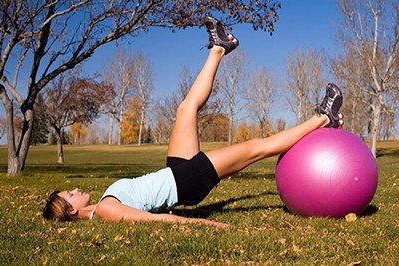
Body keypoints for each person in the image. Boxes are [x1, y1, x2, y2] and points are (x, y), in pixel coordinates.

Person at [43, 16, 343, 227]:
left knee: (185, 109)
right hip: (186, 183)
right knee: (256, 148)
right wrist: (205, 227)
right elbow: (157, 220)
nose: (76, 190)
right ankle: (322, 118)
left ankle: (219, 47)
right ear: (71, 210)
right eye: (70, 195)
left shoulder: (101, 207)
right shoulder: (105, 211)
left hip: (175, 172)